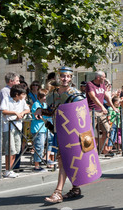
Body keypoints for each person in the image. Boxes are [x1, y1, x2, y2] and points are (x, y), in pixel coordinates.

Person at [34, 66, 85, 203]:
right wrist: (40, 110)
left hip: (73, 133)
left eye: (68, 76)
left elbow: (82, 116)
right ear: (58, 77)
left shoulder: (75, 94)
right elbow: (51, 111)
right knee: (65, 160)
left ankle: (58, 192)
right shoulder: (52, 94)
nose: (65, 79)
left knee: (64, 160)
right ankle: (75, 188)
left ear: (71, 78)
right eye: (62, 76)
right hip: (58, 131)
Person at [0, 84, 30, 178]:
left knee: (16, 149)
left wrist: (22, 113)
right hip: (8, 127)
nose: (24, 96)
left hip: (18, 127)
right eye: (22, 94)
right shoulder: (6, 99)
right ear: (17, 94)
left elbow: (27, 109)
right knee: (10, 149)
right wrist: (14, 112)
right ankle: (7, 170)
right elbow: (2, 110)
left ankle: (10, 169)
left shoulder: (22, 101)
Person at [86, 71, 117, 156]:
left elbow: (107, 96)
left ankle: (104, 149)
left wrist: (113, 107)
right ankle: (90, 151)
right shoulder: (90, 84)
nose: (105, 79)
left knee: (107, 129)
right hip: (91, 111)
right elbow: (93, 97)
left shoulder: (102, 84)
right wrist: (102, 106)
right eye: (104, 77)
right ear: (98, 77)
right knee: (90, 132)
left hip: (101, 112)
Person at [30, 88, 50, 172]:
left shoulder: (45, 105)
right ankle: (36, 166)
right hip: (37, 129)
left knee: (42, 146)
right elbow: (37, 116)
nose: (46, 98)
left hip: (43, 128)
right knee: (39, 146)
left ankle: (41, 162)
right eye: (45, 96)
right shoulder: (36, 104)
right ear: (41, 96)